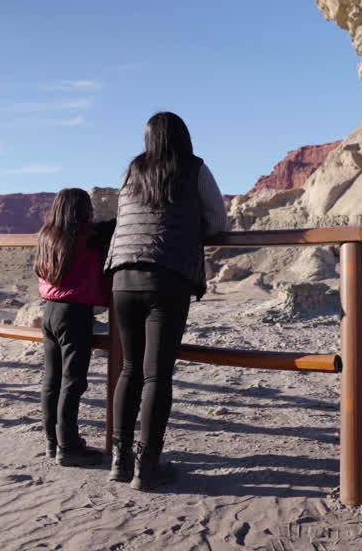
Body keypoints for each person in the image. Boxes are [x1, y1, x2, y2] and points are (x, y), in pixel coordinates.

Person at [104, 112, 228, 491]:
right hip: (167, 277)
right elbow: (219, 222)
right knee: (157, 375)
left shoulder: (132, 171)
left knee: (129, 370)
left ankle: (119, 460)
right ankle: (147, 467)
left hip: (122, 278)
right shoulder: (193, 168)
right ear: (184, 137)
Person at [35, 188, 116, 467]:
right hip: (75, 313)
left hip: (49, 311)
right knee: (73, 381)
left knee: (52, 380)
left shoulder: (47, 235)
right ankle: (69, 446)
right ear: (83, 211)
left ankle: (52, 442)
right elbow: (116, 226)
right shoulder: (88, 235)